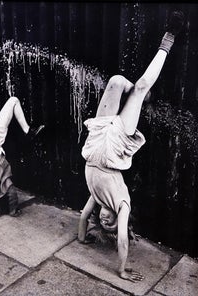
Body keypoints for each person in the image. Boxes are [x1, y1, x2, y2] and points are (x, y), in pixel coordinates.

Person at [78, 11, 184, 282]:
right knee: (138, 88)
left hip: (95, 142)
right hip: (113, 148)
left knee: (115, 81)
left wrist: (82, 238)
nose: (104, 220)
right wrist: (122, 270)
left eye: (103, 222)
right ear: (117, 217)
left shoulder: (98, 198)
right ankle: (168, 39)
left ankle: (135, 94)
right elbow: (122, 239)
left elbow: (83, 218)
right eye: (109, 222)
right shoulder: (122, 204)